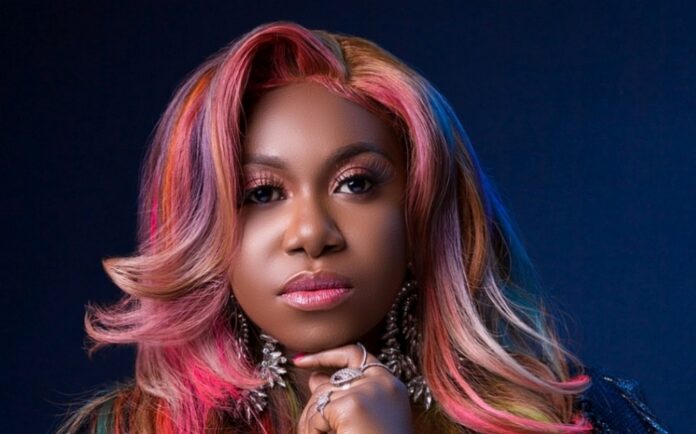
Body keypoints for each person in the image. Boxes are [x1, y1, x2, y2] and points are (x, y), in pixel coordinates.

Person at [58, 22, 668, 434]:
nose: (311, 234)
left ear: (422, 209)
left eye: (355, 184)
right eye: (261, 193)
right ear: (203, 229)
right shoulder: (126, 428)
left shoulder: (576, 416)